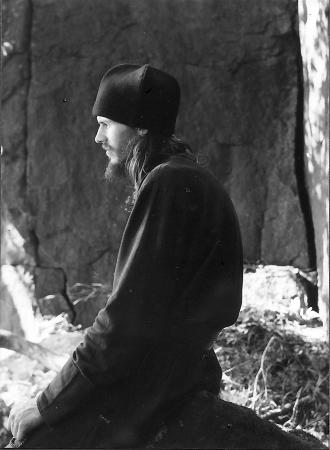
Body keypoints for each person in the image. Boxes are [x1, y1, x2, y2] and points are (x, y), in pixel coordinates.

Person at [7, 63, 243, 448]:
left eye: (106, 123)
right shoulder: (184, 177)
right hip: (179, 374)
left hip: (156, 385)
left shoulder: (169, 181)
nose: (98, 136)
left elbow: (126, 322)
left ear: (142, 126)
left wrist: (47, 404)